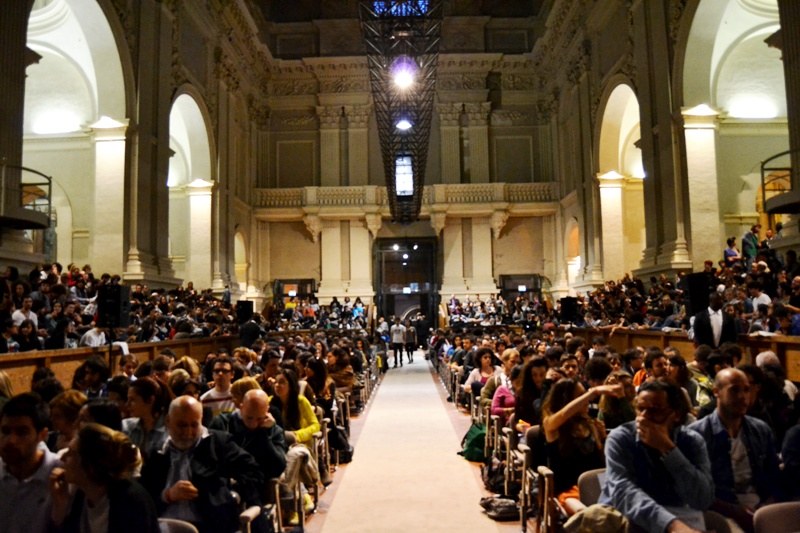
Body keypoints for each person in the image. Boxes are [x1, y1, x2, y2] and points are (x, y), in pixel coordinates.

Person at [600, 380, 715, 533]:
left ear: (675, 415)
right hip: (628, 519)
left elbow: (702, 499)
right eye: (640, 409)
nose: (643, 417)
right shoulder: (620, 439)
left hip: (679, 514)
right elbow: (623, 492)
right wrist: (670, 524)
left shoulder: (692, 441)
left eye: (655, 411)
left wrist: (668, 449)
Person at [139, 396, 264, 533]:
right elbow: (144, 497)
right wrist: (167, 495)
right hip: (163, 526)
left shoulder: (218, 445)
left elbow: (254, 472)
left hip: (208, 526)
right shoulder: (156, 451)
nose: (188, 432)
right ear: (168, 421)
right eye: (182, 425)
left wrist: (229, 494)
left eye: (194, 425)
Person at [688, 368, 781, 532]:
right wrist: (735, 511)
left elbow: (773, 477)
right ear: (716, 392)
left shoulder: (760, 429)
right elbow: (697, 492)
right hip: (721, 512)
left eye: (746, 390)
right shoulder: (697, 435)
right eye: (734, 390)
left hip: (760, 507)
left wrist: (766, 507)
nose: (743, 397)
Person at [48, 423, 159, 533]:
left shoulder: (131, 501)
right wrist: (60, 507)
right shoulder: (81, 494)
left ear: (90, 465)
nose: (62, 458)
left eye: (71, 454)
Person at [541, 378, 622, 514]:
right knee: (588, 513)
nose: (586, 401)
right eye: (580, 396)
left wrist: (603, 439)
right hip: (568, 491)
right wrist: (593, 392)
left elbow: (602, 462)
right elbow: (564, 414)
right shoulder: (552, 425)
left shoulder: (590, 424)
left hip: (596, 485)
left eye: (585, 395)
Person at [0, 393, 62, 533]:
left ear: (42, 435)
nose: (11, 440)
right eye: (5, 431)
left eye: (22, 432)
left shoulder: (61, 475)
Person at [122, 377, 172, 462]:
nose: (127, 405)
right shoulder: (126, 427)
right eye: (128, 399)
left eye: (132, 400)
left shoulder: (169, 433)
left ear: (150, 400)